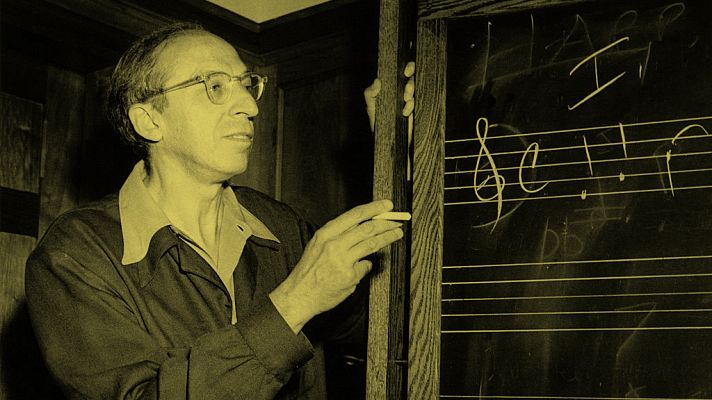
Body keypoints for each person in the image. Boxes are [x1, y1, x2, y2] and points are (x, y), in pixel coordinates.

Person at [25, 22, 412, 399]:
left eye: (246, 84)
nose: (250, 107)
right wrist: (296, 301)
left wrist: (396, 150)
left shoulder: (280, 225)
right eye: (215, 86)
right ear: (150, 121)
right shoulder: (75, 253)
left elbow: (380, 325)